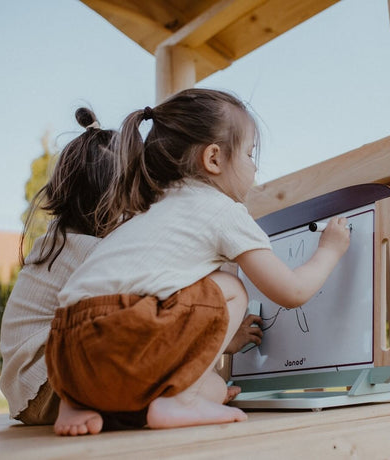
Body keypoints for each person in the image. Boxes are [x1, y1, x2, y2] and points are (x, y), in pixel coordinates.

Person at [46, 88, 350, 436]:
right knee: (231, 287)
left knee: (216, 388)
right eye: (250, 154)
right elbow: (292, 292)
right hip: (121, 341)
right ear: (214, 159)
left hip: (66, 360)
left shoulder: (146, 210)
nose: (255, 167)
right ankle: (180, 402)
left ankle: (76, 407)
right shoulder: (222, 211)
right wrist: (330, 250)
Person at [0, 108, 119, 427]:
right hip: (50, 389)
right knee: (127, 313)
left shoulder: (59, 241)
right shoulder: (90, 250)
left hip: (29, 391)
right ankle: (76, 406)